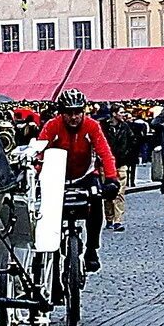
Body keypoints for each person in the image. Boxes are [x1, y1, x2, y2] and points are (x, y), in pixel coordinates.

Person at [31, 90, 119, 271]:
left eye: (78, 112)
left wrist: (111, 179)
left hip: (85, 175)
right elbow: (38, 154)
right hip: (57, 176)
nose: (74, 117)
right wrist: (34, 177)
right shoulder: (52, 126)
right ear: (61, 113)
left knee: (96, 200)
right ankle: (46, 253)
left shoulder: (92, 126)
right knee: (47, 211)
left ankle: (92, 249)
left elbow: (105, 152)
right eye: (69, 113)